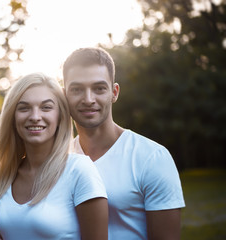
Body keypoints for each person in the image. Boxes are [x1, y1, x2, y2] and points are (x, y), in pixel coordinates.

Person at [62, 47, 185, 240]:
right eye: (77, 89)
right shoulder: (60, 160)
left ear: (114, 92)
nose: (88, 99)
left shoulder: (151, 157)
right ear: (64, 95)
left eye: (99, 88)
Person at [0, 72, 108, 240]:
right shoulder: (6, 174)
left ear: (60, 116)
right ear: (12, 117)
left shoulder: (79, 171)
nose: (35, 117)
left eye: (46, 107)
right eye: (24, 108)